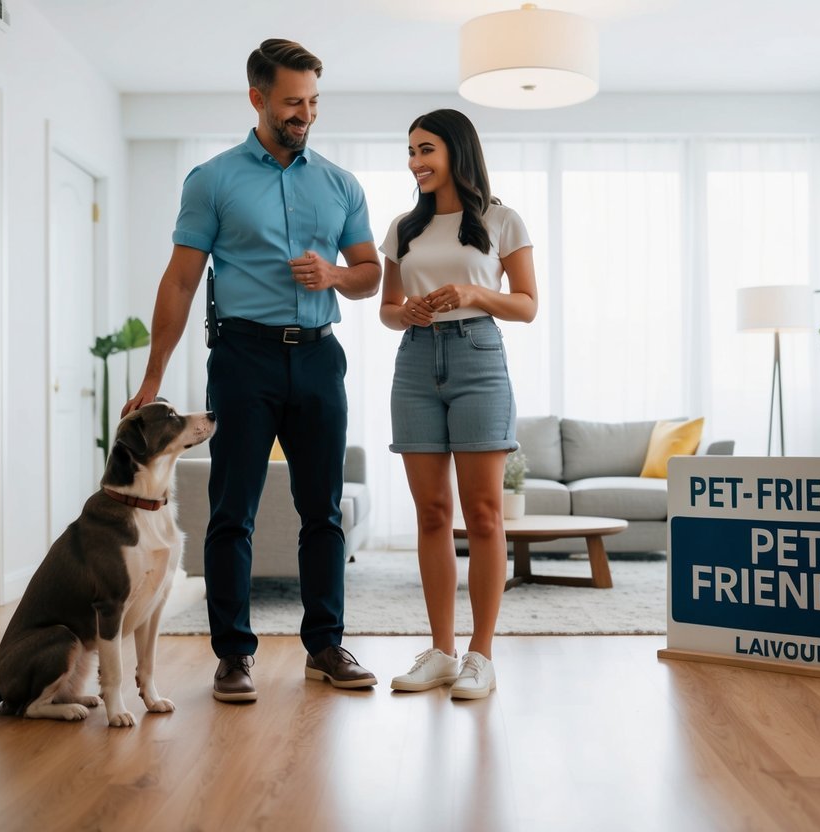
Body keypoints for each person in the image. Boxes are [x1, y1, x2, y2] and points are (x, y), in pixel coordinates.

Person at [123, 39, 382, 702]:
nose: (305, 114)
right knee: (230, 511)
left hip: (320, 356)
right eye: (293, 102)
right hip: (243, 358)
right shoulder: (212, 180)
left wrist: (335, 274)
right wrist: (153, 379)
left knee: (322, 509)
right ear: (258, 98)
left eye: (313, 102)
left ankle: (326, 646)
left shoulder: (339, 183)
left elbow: (369, 273)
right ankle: (233, 656)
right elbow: (180, 282)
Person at [379, 109, 538, 699]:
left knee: (485, 514)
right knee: (431, 515)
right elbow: (388, 310)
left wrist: (474, 292)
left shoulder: (502, 220)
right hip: (417, 363)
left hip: (479, 359)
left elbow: (526, 304)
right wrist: (408, 313)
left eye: (427, 150)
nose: (416, 162)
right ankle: (442, 652)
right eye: (411, 151)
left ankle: (481, 654)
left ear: (456, 151)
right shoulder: (403, 227)